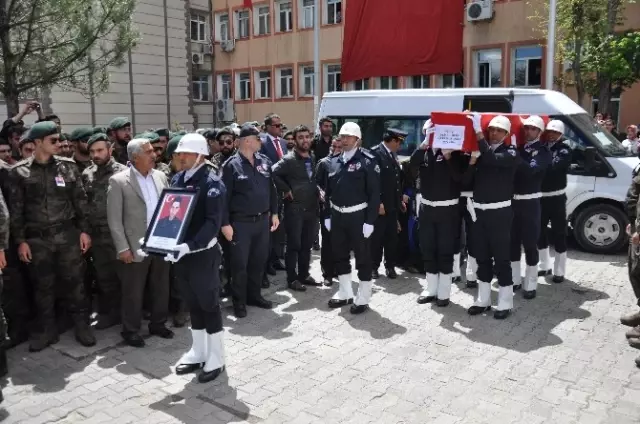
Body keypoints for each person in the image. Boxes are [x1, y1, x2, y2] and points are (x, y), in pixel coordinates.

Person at [8, 121, 96, 351]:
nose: (60, 143)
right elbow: (15, 212)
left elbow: (80, 201)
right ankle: (47, 330)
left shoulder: (68, 167)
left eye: (60, 139)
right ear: (37, 143)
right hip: (37, 240)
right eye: (53, 140)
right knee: (42, 286)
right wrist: (21, 242)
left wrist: (84, 231)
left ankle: (82, 325)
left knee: (76, 282)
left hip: (68, 235)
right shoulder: (19, 172)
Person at [165, 133, 227, 383]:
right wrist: (156, 241)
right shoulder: (178, 178)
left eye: (186, 153)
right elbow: (169, 213)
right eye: (179, 153)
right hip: (182, 254)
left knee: (209, 304)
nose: (180, 157)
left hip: (202, 254)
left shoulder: (213, 183)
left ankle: (217, 356)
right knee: (192, 303)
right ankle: (199, 351)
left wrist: (190, 245)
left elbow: (213, 224)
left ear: (200, 155)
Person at [107, 138, 173, 347]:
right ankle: (131, 330)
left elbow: (170, 207)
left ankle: (158, 323)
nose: (154, 154)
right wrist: (123, 248)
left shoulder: (161, 176)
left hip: (161, 241)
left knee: (161, 286)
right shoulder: (118, 181)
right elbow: (114, 219)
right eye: (148, 151)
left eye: (153, 150)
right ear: (135, 157)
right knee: (133, 291)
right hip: (135, 245)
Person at [221, 124, 279, 318]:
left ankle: (254, 296)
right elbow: (223, 198)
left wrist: (275, 213)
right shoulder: (231, 165)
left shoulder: (264, 161)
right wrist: (225, 224)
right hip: (240, 223)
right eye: (258, 139)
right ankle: (239, 301)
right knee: (239, 265)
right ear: (247, 141)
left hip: (262, 221)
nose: (261, 142)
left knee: (258, 261)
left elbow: (272, 190)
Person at [324, 122, 380, 314]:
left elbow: (374, 194)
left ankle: (363, 297)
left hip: (358, 216)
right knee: (339, 255)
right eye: (342, 136)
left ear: (358, 140)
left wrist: (370, 221)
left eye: (349, 137)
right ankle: (345, 292)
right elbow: (328, 193)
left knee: (363, 258)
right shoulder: (333, 162)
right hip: (338, 216)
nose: (344, 140)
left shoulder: (368, 161)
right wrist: (327, 216)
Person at [466, 114, 518, 320]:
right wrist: (471, 160)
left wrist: (478, 134)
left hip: (500, 212)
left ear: (506, 134)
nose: (493, 133)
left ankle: (505, 303)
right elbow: (468, 181)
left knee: (501, 258)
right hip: (479, 211)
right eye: (491, 130)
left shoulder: (511, 152)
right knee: (482, 257)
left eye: (498, 130)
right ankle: (483, 300)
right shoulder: (481, 153)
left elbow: (492, 159)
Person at [410, 122, 468, 306]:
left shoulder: (454, 152)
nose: (432, 135)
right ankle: (431, 288)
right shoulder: (423, 153)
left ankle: (444, 292)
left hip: (448, 209)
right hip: (427, 208)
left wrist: (448, 155)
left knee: (445, 250)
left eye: (435, 132)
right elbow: (411, 169)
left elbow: (459, 178)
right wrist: (423, 145)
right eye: (428, 132)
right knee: (427, 248)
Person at [82, 133, 127, 330]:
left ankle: (130, 314)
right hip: (97, 236)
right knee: (104, 277)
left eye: (100, 150)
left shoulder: (123, 173)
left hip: (118, 235)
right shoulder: (87, 174)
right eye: (92, 151)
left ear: (110, 149)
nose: (95, 155)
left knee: (125, 277)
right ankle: (112, 313)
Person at [272, 125, 321, 292]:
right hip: (295, 210)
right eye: (301, 137)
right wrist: (285, 189)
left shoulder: (312, 157)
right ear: (295, 140)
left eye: (307, 137)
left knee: (306, 245)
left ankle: (304, 275)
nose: (305, 140)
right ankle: (292, 279)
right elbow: (273, 173)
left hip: (311, 208)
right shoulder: (288, 160)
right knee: (294, 246)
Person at [510, 116, 551, 299]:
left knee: (530, 243)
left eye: (533, 129)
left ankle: (531, 283)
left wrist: (515, 156)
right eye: (526, 128)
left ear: (539, 132)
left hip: (530, 202)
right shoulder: (518, 149)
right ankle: (514, 279)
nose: (528, 131)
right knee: (512, 243)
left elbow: (531, 171)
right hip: (513, 202)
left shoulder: (543, 152)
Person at [538, 120, 572, 283]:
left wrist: (539, 164)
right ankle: (544, 265)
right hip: (540, 197)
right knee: (540, 232)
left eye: (555, 132)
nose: (551, 135)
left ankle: (559, 270)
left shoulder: (564, 149)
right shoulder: (542, 146)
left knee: (559, 232)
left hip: (556, 197)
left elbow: (554, 166)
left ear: (561, 135)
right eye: (549, 131)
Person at [370, 128, 406, 280]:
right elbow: (373, 181)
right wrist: (378, 203)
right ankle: (373, 267)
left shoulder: (391, 154)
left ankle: (390, 266)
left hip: (392, 205)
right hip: (380, 206)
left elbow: (396, 180)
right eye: (399, 142)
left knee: (392, 238)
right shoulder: (375, 153)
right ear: (392, 140)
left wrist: (399, 201)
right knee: (377, 238)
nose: (400, 146)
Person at [316, 137, 342, 286]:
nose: (336, 149)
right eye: (334, 146)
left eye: (339, 147)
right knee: (327, 241)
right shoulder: (323, 163)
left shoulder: (345, 163)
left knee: (340, 241)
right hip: (328, 209)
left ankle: (338, 269)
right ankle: (327, 273)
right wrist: (321, 193)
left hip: (342, 209)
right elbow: (316, 183)